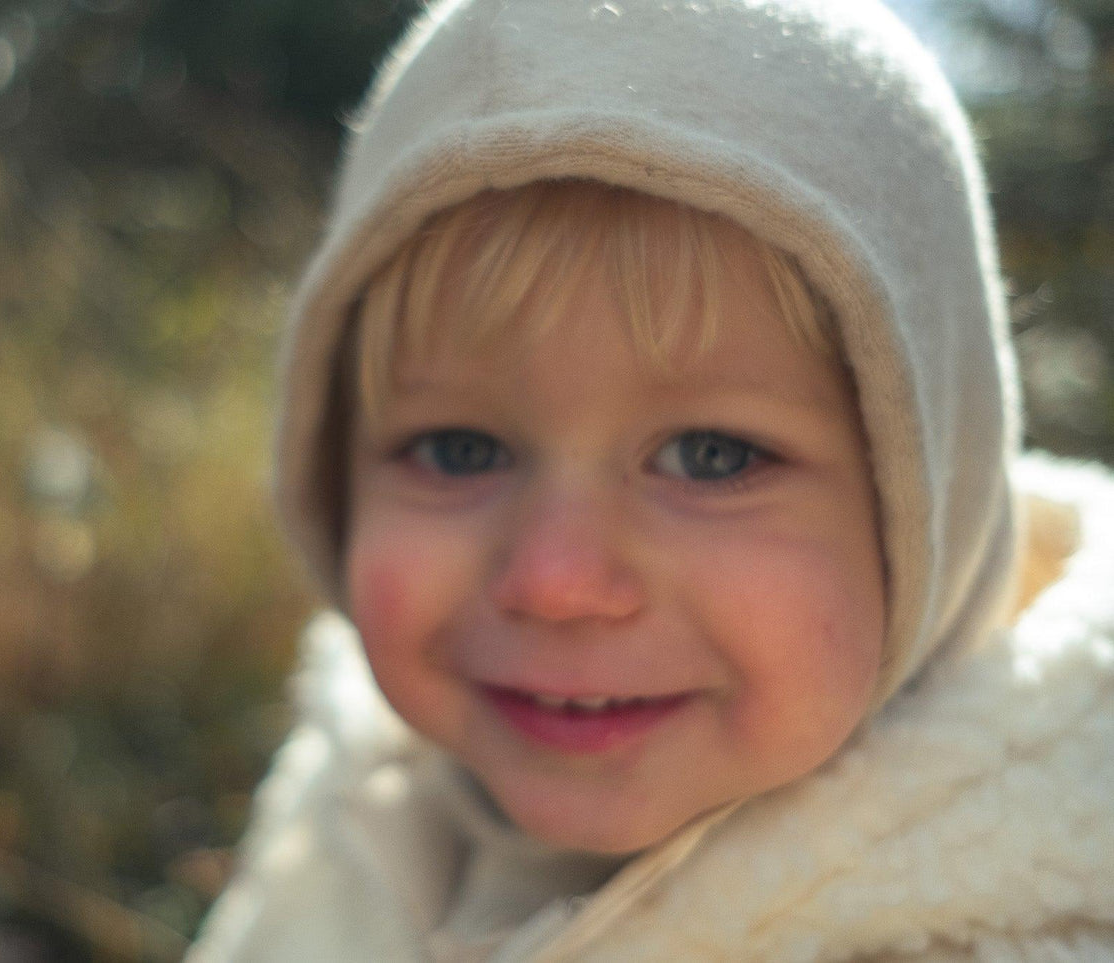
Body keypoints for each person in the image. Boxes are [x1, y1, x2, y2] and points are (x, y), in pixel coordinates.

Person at [190, 0, 1114, 959]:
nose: (554, 579)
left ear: (931, 501)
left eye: (712, 456)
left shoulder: (1044, 921)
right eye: (459, 448)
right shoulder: (350, 808)